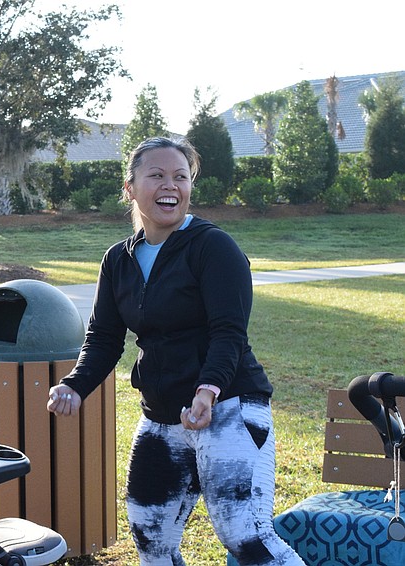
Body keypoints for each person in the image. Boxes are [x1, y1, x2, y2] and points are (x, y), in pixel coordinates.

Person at [47, 137, 303, 565]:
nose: (171, 186)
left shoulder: (212, 246)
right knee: (151, 537)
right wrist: (75, 385)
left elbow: (229, 333)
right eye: (158, 175)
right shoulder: (118, 260)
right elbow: (104, 338)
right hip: (162, 416)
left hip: (229, 405)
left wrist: (207, 391)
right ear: (130, 187)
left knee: (245, 535)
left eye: (181, 177)